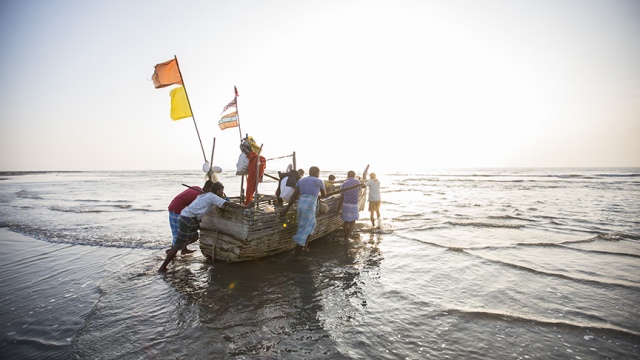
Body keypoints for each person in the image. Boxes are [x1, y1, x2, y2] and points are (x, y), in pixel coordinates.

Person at [159, 182, 251, 272]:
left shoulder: (205, 195)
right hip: (187, 219)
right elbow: (229, 204)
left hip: (185, 218)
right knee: (178, 245)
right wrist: (246, 207)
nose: (222, 192)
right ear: (218, 190)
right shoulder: (212, 197)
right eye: (222, 190)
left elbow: (219, 202)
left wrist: (223, 198)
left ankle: (176, 249)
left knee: (194, 237)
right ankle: (163, 266)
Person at [279, 166, 326, 260]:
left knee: (310, 224)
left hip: (301, 204)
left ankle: (304, 245)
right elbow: (324, 194)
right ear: (317, 173)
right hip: (310, 205)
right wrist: (318, 196)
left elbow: (294, 196)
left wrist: (286, 209)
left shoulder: (301, 181)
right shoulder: (319, 181)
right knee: (305, 229)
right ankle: (296, 256)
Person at [167, 180, 213, 255]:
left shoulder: (196, 187)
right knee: (178, 234)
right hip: (177, 209)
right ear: (208, 188)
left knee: (181, 233)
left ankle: (183, 249)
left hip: (174, 206)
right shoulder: (200, 196)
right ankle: (172, 252)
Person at [340, 170, 363, 241]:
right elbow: (360, 191)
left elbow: (341, 194)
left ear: (348, 175)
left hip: (346, 204)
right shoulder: (357, 182)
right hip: (354, 204)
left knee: (346, 222)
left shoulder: (344, 184)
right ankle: (347, 237)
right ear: (354, 175)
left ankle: (345, 237)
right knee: (353, 221)